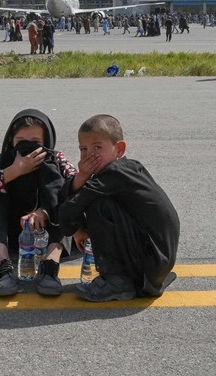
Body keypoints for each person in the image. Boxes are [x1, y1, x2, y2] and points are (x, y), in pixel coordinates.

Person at [57, 115, 179, 302]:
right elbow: (68, 205)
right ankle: (128, 279)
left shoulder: (115, 173)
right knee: (95, 199)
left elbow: (68, 210)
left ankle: (117, 282)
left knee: (98, 204)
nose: (89, 154)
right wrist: (80, 177)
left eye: (97, 147)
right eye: (83, 149)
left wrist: (77, 229)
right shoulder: (127, 169)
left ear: (119, 149)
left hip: (150, 262)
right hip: (155, 263)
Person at [0, 109, 78, 297]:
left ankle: (50, 266)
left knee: (66, 197)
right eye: (21, 142)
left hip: (47, 231)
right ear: (11, 141)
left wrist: (46, 210)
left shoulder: (56, 159)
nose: (28, 147)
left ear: (46, 142)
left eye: (35, 142)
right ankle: (3, 268)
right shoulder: (3, 161)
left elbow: (78, 185)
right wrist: (15, 170)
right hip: (11, 232)